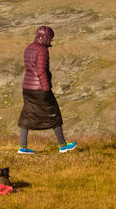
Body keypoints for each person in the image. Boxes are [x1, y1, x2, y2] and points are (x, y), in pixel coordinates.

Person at [17, 25, 76, 154]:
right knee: (54, 114)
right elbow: (41, 70)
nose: (51, 41)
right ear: (45, 37)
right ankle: (63, 146)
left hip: (27, 87)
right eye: (50, 38)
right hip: (40, 88)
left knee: (27, 115)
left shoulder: (28, 48)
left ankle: (23, 147)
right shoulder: (42, 50)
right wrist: (46, 88)